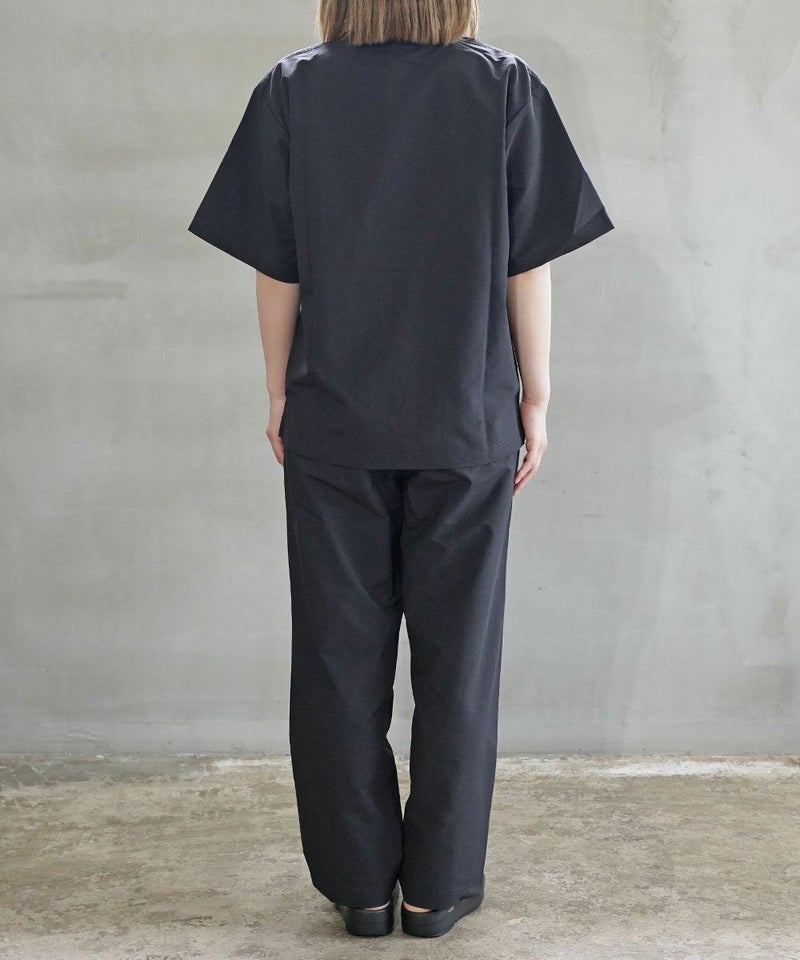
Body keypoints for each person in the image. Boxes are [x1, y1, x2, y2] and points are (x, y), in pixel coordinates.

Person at [187, 0, 614, 940]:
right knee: (460, 662)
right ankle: (437, 890)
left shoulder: (294, 90)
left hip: (335, 417)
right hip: (466, 416)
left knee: (336, 659)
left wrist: (278, 392)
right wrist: (535, 398)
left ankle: (362, 890)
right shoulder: (503, 87)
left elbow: (279, 269)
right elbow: (527, 265)